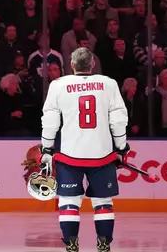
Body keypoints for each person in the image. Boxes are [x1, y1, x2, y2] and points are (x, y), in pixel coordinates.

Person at [40, 48, 129, 252]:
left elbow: (50, 122)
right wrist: (121, 147)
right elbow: (118, 120)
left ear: (71, 65)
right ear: (92, 64)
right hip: (102, 154)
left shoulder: (58, 85)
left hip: (69, 155)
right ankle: (104, 242)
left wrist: (46, 147)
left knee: (69, 201)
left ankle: (71, 242)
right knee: (103, 201)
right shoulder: (109, 84)